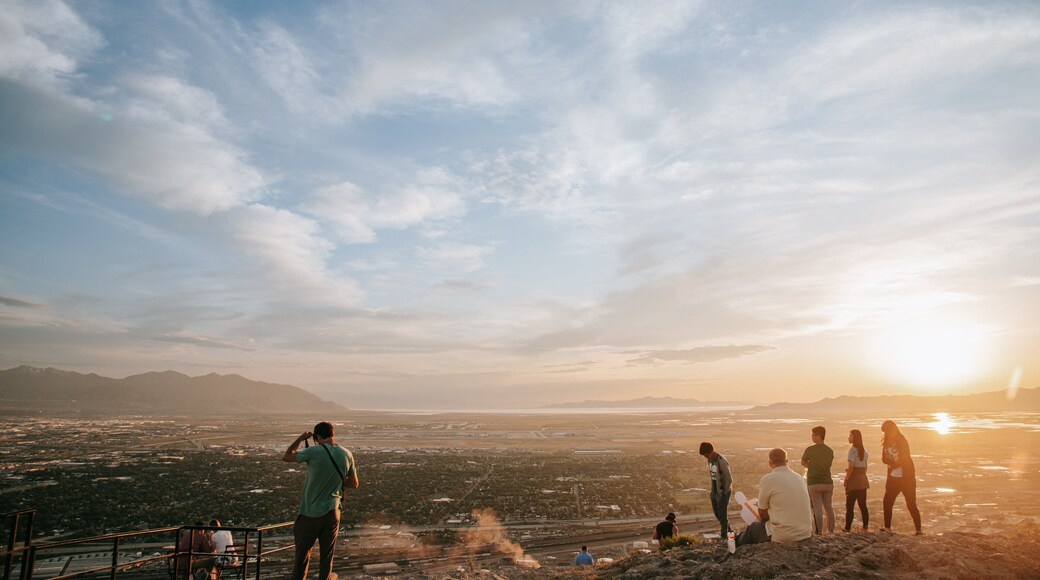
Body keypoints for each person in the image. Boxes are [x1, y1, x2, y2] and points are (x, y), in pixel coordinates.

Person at [282, 421, 359, 580]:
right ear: (332, 434)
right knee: (327, 557)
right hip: (333, 512)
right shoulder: (347, 454)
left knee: (302, 556)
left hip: (310, 512)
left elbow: (287, 456)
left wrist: (301, 438)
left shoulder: (314, 451)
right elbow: (354, 484)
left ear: (317, 437)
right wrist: (337, 482)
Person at [736, 448, 813, 546]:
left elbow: (762, 512)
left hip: (783, 535)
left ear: (770, 463)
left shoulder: (768, 479)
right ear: (787, 461)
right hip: (805, 532)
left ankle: (732, 547)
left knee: (752, 528)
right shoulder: (799, 478)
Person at [881, 420, 922, 535]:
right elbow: (883, 459)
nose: (885, 434)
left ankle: (918, 530)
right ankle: (887, 527)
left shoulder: (901, 441)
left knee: (911, 504)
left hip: (906, 478)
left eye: (886, 431)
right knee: (887, 502)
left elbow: (905, 458)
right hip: (893, 478)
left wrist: (893, 464)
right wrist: (891, 463)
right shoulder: (886, 443)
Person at [801, 425, 835, 534]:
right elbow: (828, 464)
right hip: (828, 482)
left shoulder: (810, 450)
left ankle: (818, 531)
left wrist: (810, 466)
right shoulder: (829, 450)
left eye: (813, 435)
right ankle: (831, 530)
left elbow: (803, 462)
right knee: (829, 508)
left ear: (819, 436)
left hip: (814, 483)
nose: (812, 437)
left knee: (817, 508)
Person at [698, 441, 733, 539]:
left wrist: (724, 491)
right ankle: (730, 531)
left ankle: (724, 536)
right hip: (714, 491)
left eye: (706, 455)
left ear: (712, 451)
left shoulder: (720, 460)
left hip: (722, 492)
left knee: (722, 515)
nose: (706, 457)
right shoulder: (710, 460)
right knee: (718, 515)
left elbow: (729, 478)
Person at [843, 430, 870, 531]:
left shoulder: (852, 450)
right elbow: (865, 468)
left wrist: (846, 479)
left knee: (850, 505)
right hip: (862, 480)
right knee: (863, 505)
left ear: (855, 438)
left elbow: (851, 467)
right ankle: (865, 526)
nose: (848, 438)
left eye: (850, 436)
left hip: (854, 481)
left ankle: (847, 528)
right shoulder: (865, 452)